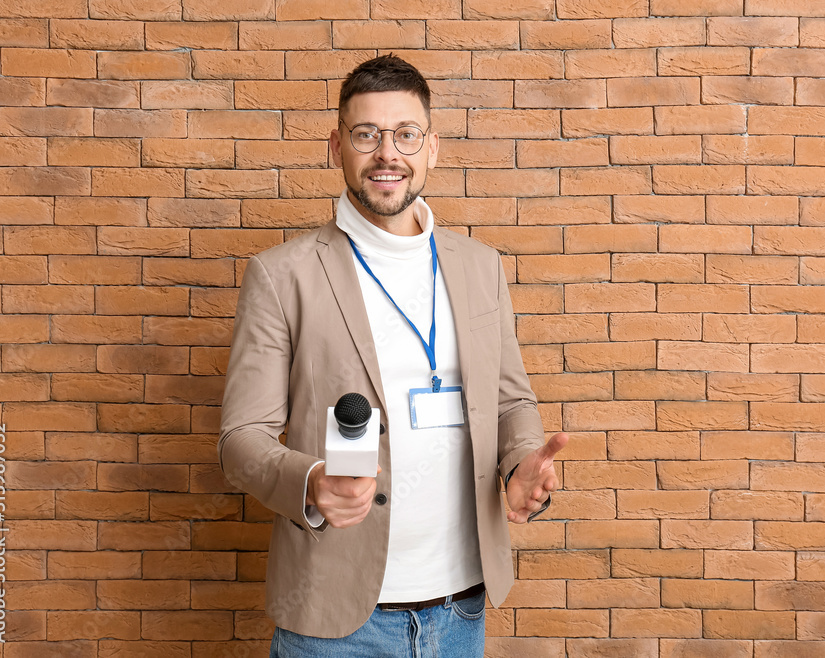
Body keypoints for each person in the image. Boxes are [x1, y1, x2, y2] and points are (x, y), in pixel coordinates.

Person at [218, 54, 567, 657]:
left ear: (432, 147)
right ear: (337, 148)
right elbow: (241, 439)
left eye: (406, 134)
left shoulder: (480, 267)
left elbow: (511, 399)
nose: (388, 154)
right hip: (336, 620)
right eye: (366, 135)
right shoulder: (282, 276)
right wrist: (309, 482)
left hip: (461, 608)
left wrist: (520, 465)